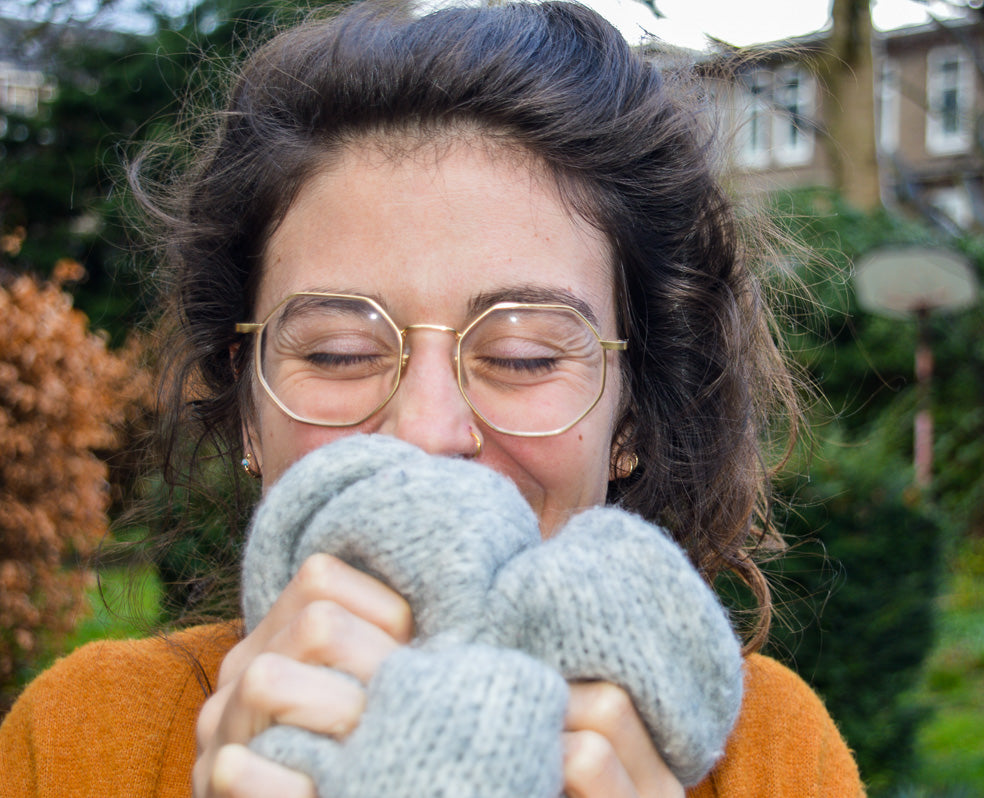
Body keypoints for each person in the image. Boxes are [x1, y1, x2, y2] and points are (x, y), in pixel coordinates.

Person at [0, 2, 865, 796]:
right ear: (245, 406)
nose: (424, 434)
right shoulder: (81, 741)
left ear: (628, 419)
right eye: (339, 354)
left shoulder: (770, 756)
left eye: (524, 357)